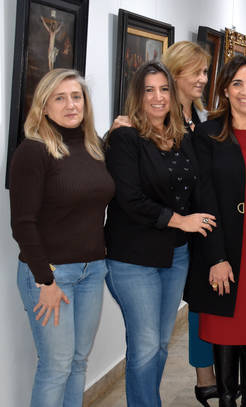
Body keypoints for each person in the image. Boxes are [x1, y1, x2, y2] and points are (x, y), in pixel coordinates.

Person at [110, 42, 217, 405]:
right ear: (137, 97)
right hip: (133, 259)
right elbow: (130, 200)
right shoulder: (125, 138)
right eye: (149, 91)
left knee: (158, 345)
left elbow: (195, 186)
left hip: (176, 257)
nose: (157, 98)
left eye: (164, 90)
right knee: (142, 347)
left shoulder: (181, 136)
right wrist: (181, 221)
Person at [9, 69, 114, 407]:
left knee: (78, 361)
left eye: (76, 96)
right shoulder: (33, 151)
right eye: (60, 97)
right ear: (43, 107)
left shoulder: (93, 147)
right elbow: (23, 224)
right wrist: (46, 280)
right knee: (55, 366)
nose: (71, 104)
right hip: (51, 275)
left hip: (92, 271)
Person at [185, 55, 246, 407]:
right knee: (225, 325)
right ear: (225, 89)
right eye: (237, 83)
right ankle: (227, 399)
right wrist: (217, 257)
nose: (245, 91)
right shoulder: (207, 134)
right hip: (224, 244)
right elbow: (203, 198)